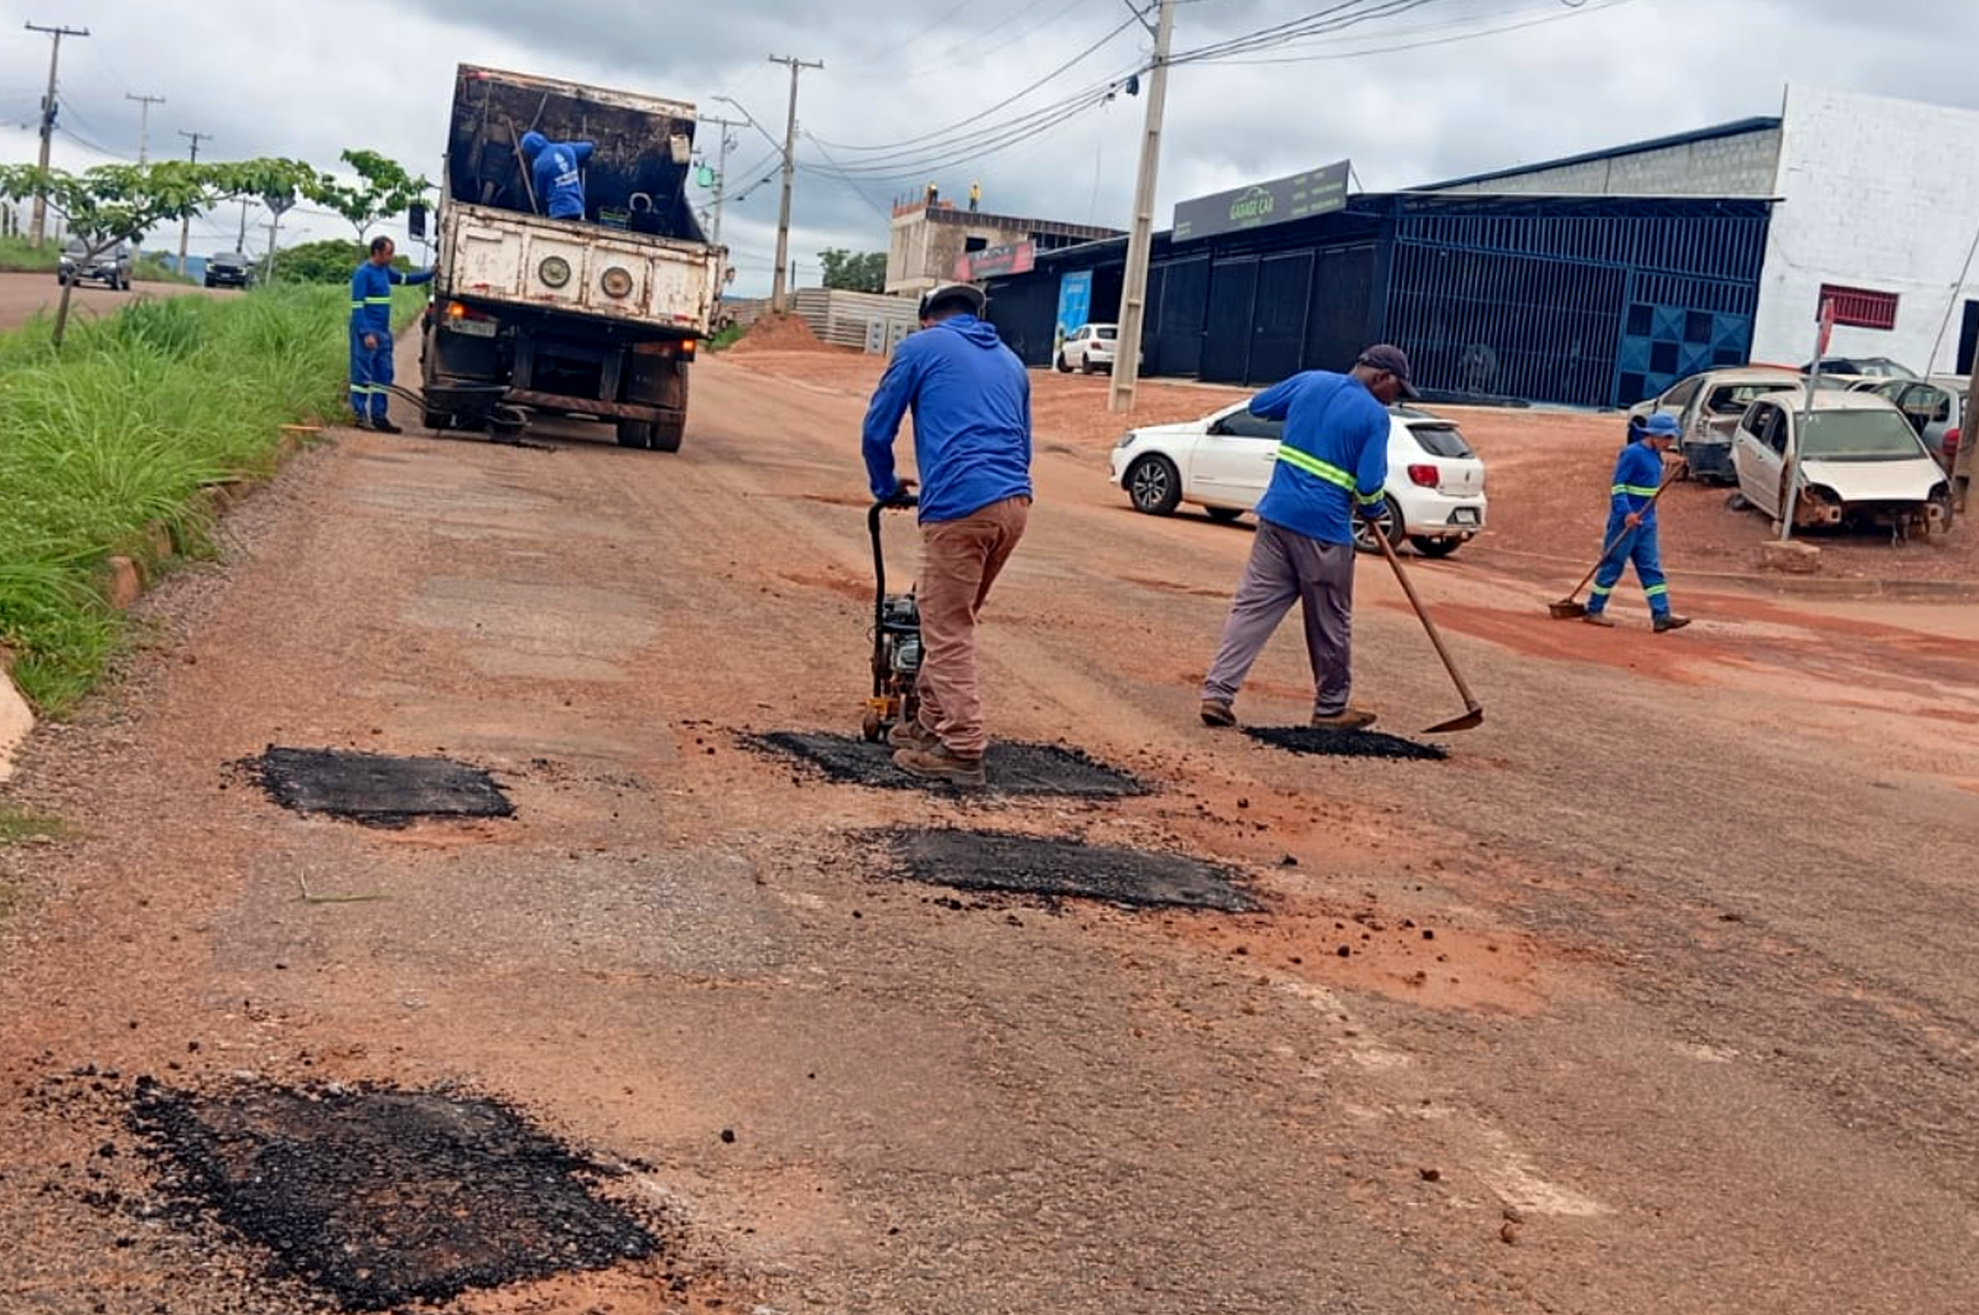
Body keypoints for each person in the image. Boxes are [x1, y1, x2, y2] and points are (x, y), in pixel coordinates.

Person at [862, 282, 1033, 787]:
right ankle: (929, 724)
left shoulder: (920, 347)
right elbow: (1023, 444)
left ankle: (961, 747)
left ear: (926, 318)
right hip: (1014, 505)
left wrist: (884, 485)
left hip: (961, 504)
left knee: (945, 625)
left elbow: (877, 429)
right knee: (951, 618)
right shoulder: (1011, 362)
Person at [1198, 345, 1419, 731]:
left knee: (1252, 608)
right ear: (1382, 378)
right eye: (1397, 390)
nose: (1395, 399)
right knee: (1330, 621)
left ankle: (1218, 694)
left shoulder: (1310, 381)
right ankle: (1330, 709)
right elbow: (1369, 485)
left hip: (1276, 518)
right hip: (1325, 531)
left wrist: (1305, 415)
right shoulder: (1374, 416)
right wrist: (1372, 512)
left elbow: (1261, 406)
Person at [1585, 411, 1690, 632]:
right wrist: (1626, 513)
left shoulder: (1656, 456)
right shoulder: (1632, 453)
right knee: (1613, 564)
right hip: (1627, 521)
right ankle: (1594, 609)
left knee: (1651, 568)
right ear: (1653, 435)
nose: (1670, 442)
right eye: (1667, 437)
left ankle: (1661, 615)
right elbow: (1618, 487)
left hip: (1647, 521)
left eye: (1671, 437)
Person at [348, 236, 433, 434]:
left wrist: (429, 274)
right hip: (367, 331)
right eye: (389, 253)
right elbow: (357, 307)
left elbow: (405, 279)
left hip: (383, 332)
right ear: (377, 253)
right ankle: (359, 414)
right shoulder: (363, 274)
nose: (391, 257)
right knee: (362, 376)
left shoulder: (385, 272)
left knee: (383, 374)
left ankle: (379, 416)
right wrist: (365, 333)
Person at [519, 131, 595, 221]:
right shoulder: (566, 148)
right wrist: (581, 162)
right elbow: (589, 147)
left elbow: (540, 193)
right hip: (577, 208)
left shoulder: (539, 164)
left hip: (558, 211)